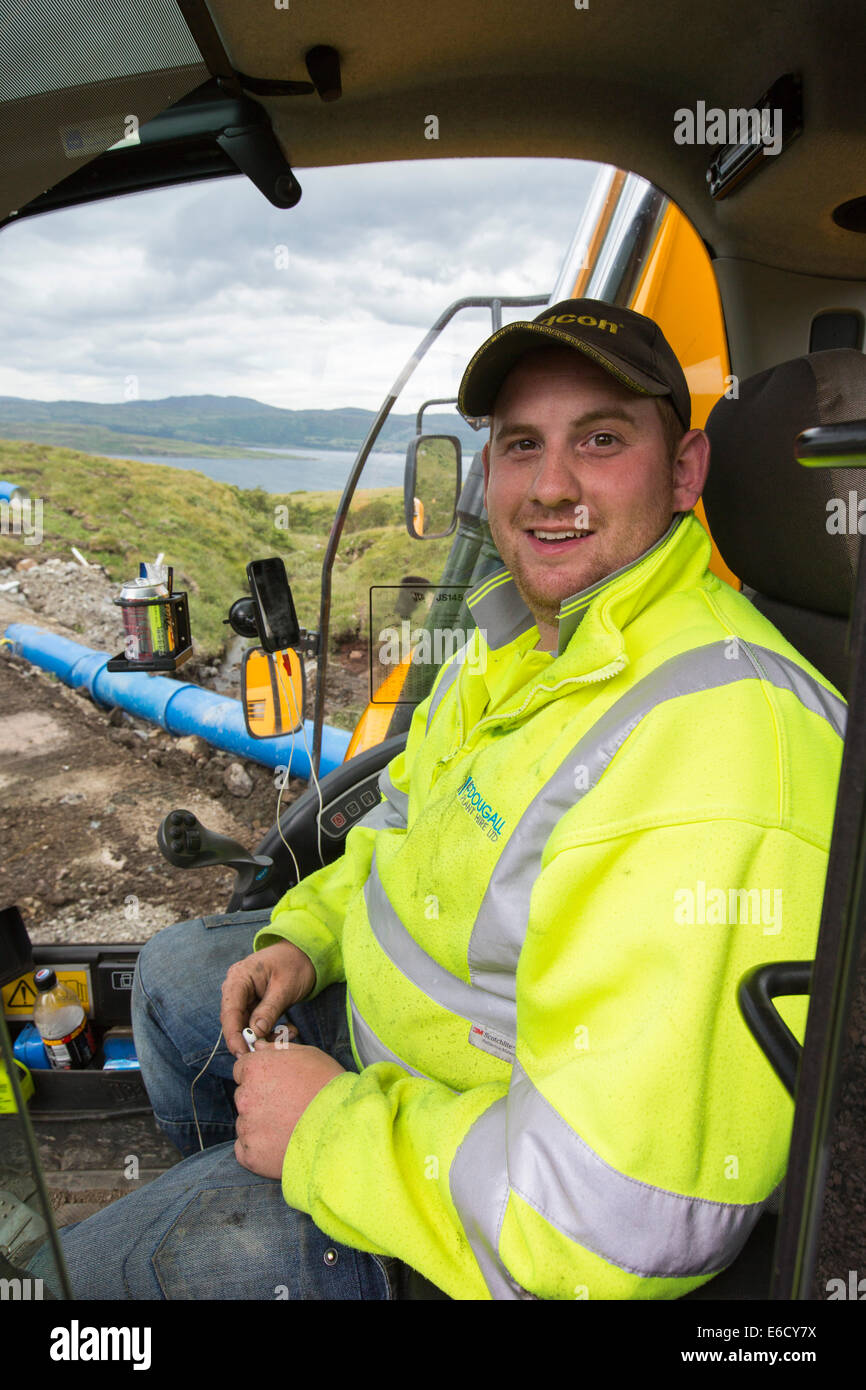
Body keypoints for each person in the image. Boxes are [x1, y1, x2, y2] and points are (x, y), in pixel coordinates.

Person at [26, 299, 845, 1300]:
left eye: (598, 439)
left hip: (492, 1204)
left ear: (683, 472)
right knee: (170, 979)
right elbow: (396, 829)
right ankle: (232, 1168)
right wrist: (304, 937)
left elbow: (607, 1217)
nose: (549, 486)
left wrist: (324, 1133)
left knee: (81, 1279)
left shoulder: (718, 751)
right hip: (407, 1054)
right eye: (518, 445)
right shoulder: (525, 634)